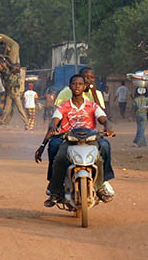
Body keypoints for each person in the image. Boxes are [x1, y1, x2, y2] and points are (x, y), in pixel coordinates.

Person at [35, 74, 114, 207]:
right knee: (58, 155)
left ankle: (102, 183)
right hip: (69, 140)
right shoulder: (63, 107)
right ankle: (55, 189)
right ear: (70, 86)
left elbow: (105, 120)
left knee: (105, 146)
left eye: (80, 84)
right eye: (74, 84)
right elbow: (53, 122)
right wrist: (43, 144)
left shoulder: (92, 106)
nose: (77, 86)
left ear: (84, 87)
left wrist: (108, 127)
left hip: (90, 139)